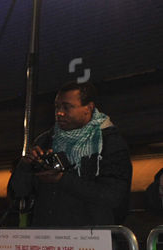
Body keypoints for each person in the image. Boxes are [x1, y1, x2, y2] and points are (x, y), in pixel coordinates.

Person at [7, 82, 132, 228]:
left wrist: (62, 179)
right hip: (48, 236)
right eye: (57, 107)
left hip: (91, 239)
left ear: (89, 108)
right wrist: (26, 166)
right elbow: (18, 193)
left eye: (67, 107)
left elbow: (114, 196)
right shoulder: (45, 140)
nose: (59, 112)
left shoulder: (109, 142)